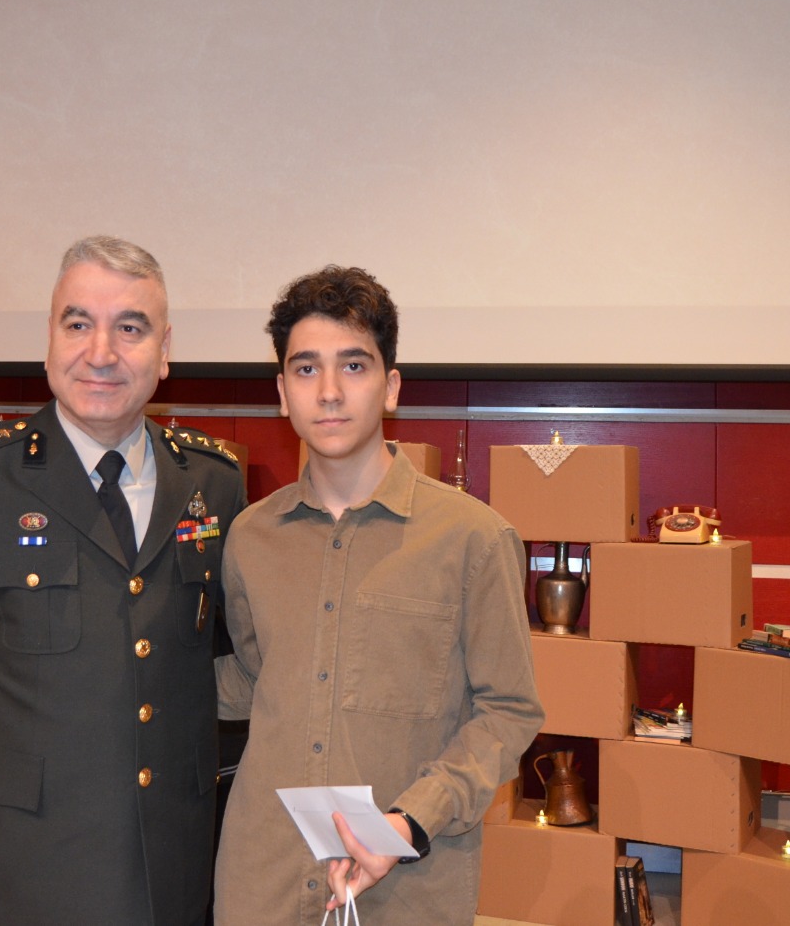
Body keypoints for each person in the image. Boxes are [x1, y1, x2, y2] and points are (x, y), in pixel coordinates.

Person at [0, 236, 247, 926]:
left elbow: (234, 663)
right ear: (48, 340)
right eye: (78, 324)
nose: (100, 353)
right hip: (15, 867)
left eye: (130, 328)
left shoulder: (215, 483)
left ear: (165, 350)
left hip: (169, 868)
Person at [213, 265, 543, 925]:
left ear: (390, 386)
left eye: (354, 366)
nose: (329, 391)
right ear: (281, 392)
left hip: (405, 891)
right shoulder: (250, 536)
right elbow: (252, 679)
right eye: (306, 369)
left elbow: (508, 711)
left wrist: (409, 821)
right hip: (261, 880)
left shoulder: (473, 538)